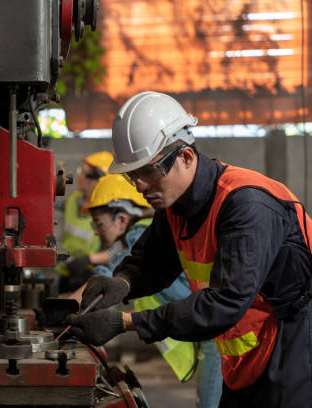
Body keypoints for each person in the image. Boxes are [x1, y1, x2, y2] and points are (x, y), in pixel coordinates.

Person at [66, 91, 312, 407]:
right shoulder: (176, 206)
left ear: (185, 156)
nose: (140, 186)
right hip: (247, 357)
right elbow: (152, 261)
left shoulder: (247, 206)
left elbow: (224, 302)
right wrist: (122, 283)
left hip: (294, 352)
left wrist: (127, 323)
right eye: (132, 175)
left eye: (148, 171)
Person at [71, 172, 223, 408]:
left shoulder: (138, 233)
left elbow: (111, 273)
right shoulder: (139, 231)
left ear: (121, 219)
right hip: (206, 327)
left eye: (98, 223)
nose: (95, 231)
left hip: (218, 333)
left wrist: (67, 310)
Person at [56, 152, 115, 291]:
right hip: (67, 271)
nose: (78, 176)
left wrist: (89, 259)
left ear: (96, 180)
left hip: (92, 275)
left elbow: (121, 249)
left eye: (82, 172)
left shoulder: (111, 210)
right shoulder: (73, 199)